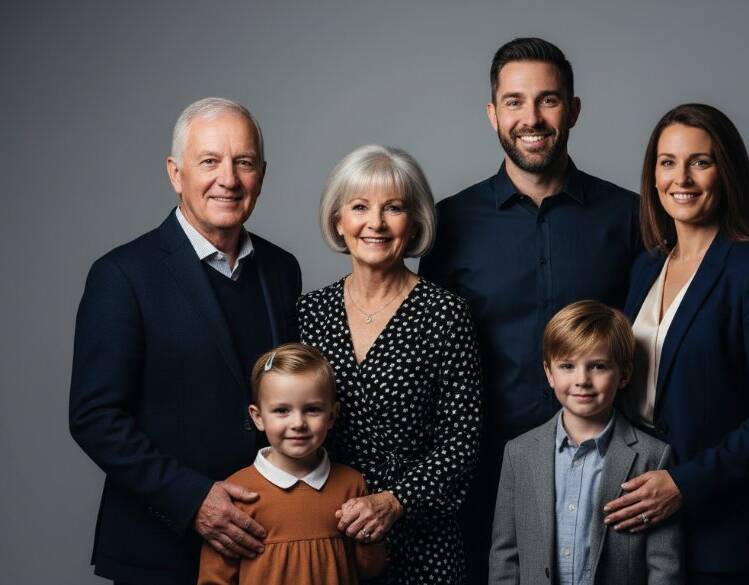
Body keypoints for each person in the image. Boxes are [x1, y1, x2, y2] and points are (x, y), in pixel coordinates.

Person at [418, 37, 641, 581]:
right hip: (481, 479)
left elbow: (649, 349)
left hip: (606, 480)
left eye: (548, 100)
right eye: (515, 101)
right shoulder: (449, 224)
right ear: (493, 113)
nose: (532, 118)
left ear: (574, 109)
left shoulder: (631, 218)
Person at [69, 97, 302, 584]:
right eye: (209, 161)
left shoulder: (282, 269)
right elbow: (95, 418)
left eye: (244, 162)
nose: (229, 179)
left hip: (266, 547)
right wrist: (192, 499)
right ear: (176, 173)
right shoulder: (122, 275)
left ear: (262, 172)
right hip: (160, 547)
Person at [602, 103, 749, 585]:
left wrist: (683, 484)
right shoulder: (646, 267)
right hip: (638, 522)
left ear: (726, 171)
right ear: (653, 175)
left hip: (721, 530)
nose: (682, 178)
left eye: (701, 161)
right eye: (668, 162)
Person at [298, 144, 483, 584]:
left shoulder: (446, 314)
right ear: (338, 220)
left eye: (393, 208)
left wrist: (394, 500)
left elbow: (463, 439)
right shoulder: (309, 313)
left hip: (422, 541)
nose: (375, 223)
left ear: (414, 220)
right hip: (330, 536)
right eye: (360, 207)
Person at [489, 300, 683, 585]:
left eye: (598, 366)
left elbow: (664, 565)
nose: (582, 380)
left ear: (624, 374)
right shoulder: (519, 453)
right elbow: (505, 553)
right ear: (549, 373)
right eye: (567, 365)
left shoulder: (652, 457)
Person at [198, 343, 387, 584]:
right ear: (258, 417)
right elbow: (214, 579)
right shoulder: (237, 492)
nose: (298, 423)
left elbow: (370, 569)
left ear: (332, 415)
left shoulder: (351, 484)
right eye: (282, 410)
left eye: (312, 409)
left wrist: (372, 538)